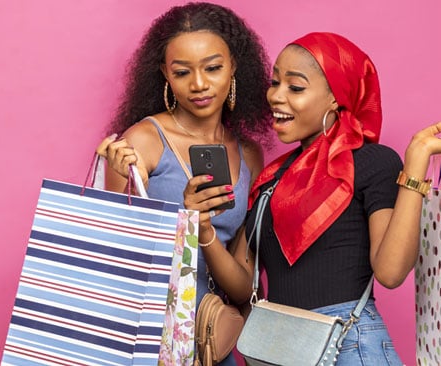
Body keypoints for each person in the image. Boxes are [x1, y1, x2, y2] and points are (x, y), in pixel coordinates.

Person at [181, 32, 441, 365]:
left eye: (295, 87)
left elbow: (391, 272)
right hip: (280, 348)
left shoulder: (371, 162)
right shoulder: (270, 180)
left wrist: (416, 162)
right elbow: (242, 286)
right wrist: (204, 229)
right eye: (275, 83)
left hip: (349, 347)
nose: (276, 96)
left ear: (335, 99)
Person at [96, 3, 271, 365]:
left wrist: (202, 228)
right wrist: (124, 188)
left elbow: (243, 288)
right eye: (182, 72)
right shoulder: (143, 141)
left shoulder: (249, 155)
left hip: (210, 339)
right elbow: (114, 259)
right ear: (165, 73)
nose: (199, 84)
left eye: (213, 68)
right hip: (147, 341)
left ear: (234, 65)